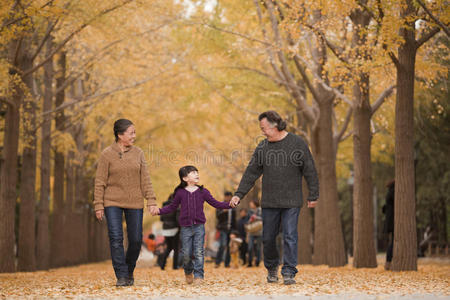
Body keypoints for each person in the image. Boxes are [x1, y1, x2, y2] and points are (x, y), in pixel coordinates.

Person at [230, 111, 319, 285]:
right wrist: (238, 194)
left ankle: (289, 272)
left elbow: (310, 170)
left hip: (292, 200)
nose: (262, 131)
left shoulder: (297, 144)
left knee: (290, 235)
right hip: (270, 201)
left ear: (275, 125)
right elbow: (251, 173)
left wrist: (313, 194)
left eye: (263, 128)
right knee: (268, 238)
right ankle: (272, 268)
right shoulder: (263, 148)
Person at [94, 119, 158, 287]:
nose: (134, 136)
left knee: (136, 240)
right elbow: (100, 181)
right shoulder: (106, 154)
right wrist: (98, 204)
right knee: (116, 238)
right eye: (131, 133)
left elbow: (146, 179)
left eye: (134, 133)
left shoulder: (139, 153)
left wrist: (151, 200)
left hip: (135, 201)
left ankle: (129, 270)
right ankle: (121, 276)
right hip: (111, 201)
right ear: (120, 135)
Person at [154, 165, 233, 284]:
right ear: (185, 178)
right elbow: (172, 207)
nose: (197, 174)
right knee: (186, 253)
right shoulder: (180, 193)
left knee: (199, 252)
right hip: (185, 228)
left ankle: (199, 276)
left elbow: (215, 203)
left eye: (197, 172)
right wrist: (159, 211)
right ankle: (188, 271)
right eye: (193, 172)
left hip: (199, 227)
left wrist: (229, 205)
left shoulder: (203, 192)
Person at [214, 191, 237, 268]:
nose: (228, 198)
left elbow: (234, 221)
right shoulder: (220, 205)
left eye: (229, 197)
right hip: (222, 229)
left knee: (229, 246)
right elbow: (217, 217)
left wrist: (234, 232)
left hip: (230, 229)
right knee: (222, 245)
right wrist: (223, 211)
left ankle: (227, 263)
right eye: (226, 197)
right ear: (224, 197)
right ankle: (217, 262)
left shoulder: (233, 207)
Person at [158, 194, 181, 270]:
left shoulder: (164, 207)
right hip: (174, 230)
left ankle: (162, 265)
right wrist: (180, 227)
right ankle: (175, 266)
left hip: (165, 230)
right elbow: (178, 220)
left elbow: (161, 219)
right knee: (176, 249)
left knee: (169, 247)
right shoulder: (176, 206)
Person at [382, 180, 394, 270]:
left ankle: (388, 261)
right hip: (392, 222)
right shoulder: (393, 192)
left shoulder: (389, 192)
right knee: (393, 242)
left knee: (393, 242)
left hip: (390, 222)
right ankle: (388, 262)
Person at [247, 200, 262, 267]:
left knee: (258, 248)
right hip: (251, 231)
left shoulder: (260, 210)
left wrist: (256, 217)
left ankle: (257, 262)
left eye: (251, 203)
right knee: (250, 247)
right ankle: (250, 262)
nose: (250, 205)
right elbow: (247, 221)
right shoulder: (249, 211)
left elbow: (263, 219)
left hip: (259, 231)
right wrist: (250, 220)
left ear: (255, 204)